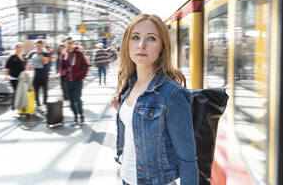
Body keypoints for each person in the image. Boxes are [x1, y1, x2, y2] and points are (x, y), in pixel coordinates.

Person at [109, 14, 198, 185]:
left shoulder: (172, 95)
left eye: (151, 38)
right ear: (127, 44)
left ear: (162, 48)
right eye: (135, 37)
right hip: (126, 179)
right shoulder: (130, 86)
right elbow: (138, 126)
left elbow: (187, 160)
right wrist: (123, 110)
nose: (141, 45)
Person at [57, 37, 89, 126]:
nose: (69, 45)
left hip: (77, 81)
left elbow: (86, 66)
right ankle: (75, 118)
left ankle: (81, 114)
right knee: (71, 101)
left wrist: (83, 77)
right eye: (68, 43)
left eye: (71, 43)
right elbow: (61, 67)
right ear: (66, 45)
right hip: (67, 81)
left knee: (77, 99)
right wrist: (59, 73)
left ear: (73, 44)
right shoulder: (63, 55)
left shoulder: (79, 54)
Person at [28, 39, 50, 109]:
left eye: (40, 46)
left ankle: (45, 104)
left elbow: (45, 62)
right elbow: (27, 59)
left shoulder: (45, 53)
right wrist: (29, 65)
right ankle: (37, 104)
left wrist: (40, 54)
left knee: (44, 90)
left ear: (42, 46)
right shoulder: (32, 53)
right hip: (36, 73)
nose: (38, 47)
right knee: (35, 90)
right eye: (37, 45)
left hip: (44, 74)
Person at [4, 42, 26, 109]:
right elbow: (6, 67)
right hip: (14, 78)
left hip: (21, 78)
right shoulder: (12, 56)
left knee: (21, 92)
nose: (19, 48)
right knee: (16, 92)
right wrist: (6, 75)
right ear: (15, 48)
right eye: (17, 47)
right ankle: (13, 107)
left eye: (20, 47)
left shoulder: (23, 56)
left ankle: (19, 106)